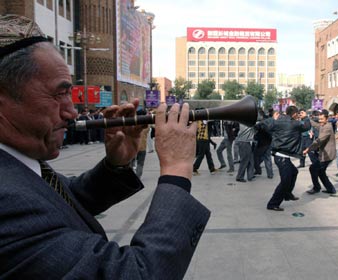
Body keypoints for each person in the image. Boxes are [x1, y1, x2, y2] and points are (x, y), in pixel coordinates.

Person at [0, 15, 209, 279]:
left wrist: (115, 165)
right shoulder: (6, 201)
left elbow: (65, 199)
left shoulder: (16, 164)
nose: (71, 113)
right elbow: (138, 273)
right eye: (59, 94)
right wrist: (177, 170)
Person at [255, 106, 311, 211]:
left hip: (280, 155)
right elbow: (307, 127)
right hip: (282, 157)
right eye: (297, 114)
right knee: (285, 181)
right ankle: (273, 204)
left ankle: (287, 194)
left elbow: (261, 125)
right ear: (294, 114)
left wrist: (272, 119)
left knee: (294, 172)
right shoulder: (295, 123)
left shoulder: (278, 121)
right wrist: (305, 117)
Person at [303, 110, 337, 195]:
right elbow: (316, 125)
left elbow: (319, 141)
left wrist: (308, 149)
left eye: (322, 119)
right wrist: (306, 118)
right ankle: (330, 189)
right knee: (321, 172)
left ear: (327, 118)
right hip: (324, 154)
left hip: (327, 155)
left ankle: (316, 188)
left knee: (313, 168)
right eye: (319, 119)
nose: (320, 121)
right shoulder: (323, 125)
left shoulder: (327, 128)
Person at [131, 109, 150, 178]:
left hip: (133, 147)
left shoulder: (132, 124)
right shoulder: (146, 126)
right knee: (140, 163)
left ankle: (131, 176)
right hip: (142, 147)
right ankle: (138, 176)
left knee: (131, 162)